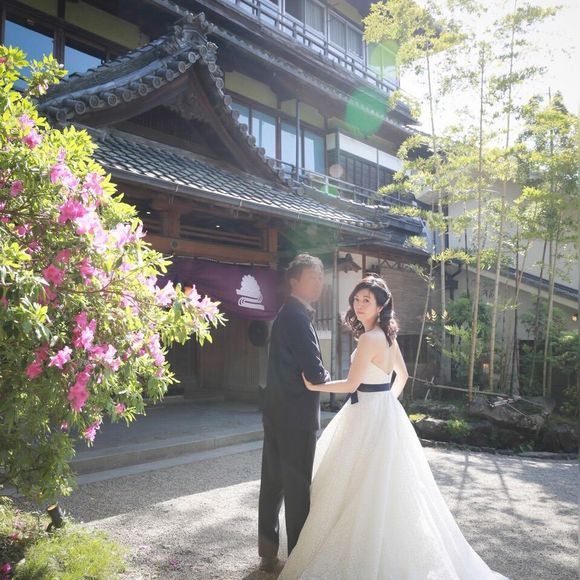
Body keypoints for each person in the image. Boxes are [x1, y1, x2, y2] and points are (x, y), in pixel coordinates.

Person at [279, 273, 509, 580]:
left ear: (380, 306)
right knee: (383, 484)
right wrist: (387, 402)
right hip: (384, 412)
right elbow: (403, 376)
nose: (359, 305)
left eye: (367, 300)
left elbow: (350, 384)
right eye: (357, 299)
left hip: (367, 413)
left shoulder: (369, 338)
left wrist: (314, 385)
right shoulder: (387, 336)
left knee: (360, 483)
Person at [258, 253, 330, 573]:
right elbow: (315, 373)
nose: (319, 283)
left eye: (321, 277)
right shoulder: (297, 317)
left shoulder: (286, 313)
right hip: (297, 417)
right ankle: (299, 560)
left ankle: (268, 552)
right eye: (312, 277)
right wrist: (327, 376)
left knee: (273, 484)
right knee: (297, 488)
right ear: (294, 281)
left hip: (277, 412)